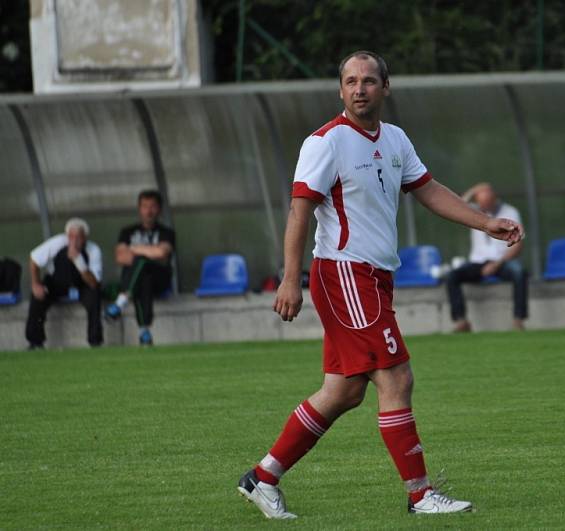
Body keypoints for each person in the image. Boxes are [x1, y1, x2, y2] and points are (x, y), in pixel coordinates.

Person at [236, 50, 524, 519]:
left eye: (369, 80)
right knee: (396, 377)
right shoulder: (325, 142)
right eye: (350, 80)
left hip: (374, 277)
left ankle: (262, 477)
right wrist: (291, 279)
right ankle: (420, 494)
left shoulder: (394, 139)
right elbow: (299, 212)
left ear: (385, 87)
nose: (359, 88)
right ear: (340, 89)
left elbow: (428, 190)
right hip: (345, 274)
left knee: (344, 392)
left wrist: (484, 222)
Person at [446, 182, 527, 332]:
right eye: (481, 204)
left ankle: (518, 320)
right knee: (452, 276)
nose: (485, 208)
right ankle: (461, 321)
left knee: (519, 272)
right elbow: (455, 205)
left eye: (487, 204)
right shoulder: (474, 211)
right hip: (478, 262)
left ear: (495, 199)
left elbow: (518, 244)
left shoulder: (510, 212)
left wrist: (497, 264)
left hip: (501, 262)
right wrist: (475, 189)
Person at [105, 190, 175, 346]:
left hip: (161, 277)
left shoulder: (166, 232)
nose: (149, 211)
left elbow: (162, 253)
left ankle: (121, 302)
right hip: (141, 279)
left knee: (141, 263)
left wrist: (135, 249)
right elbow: (121, 257)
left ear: (159, 209)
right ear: (139, 208)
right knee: (143, 278)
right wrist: (150, 251)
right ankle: (144, 332)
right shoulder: (127, 232)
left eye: (152, 207)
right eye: (145, 206)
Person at [25, 218, 103, 348]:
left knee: (94, 297)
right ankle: (35, 342)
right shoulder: (58, 242)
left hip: (82, 283)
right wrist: (35, 284)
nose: (74, 240)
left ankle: (95, 341)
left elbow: (94, 283)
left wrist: (78, 260)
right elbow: (34, 259)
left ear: (85, 238)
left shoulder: (93, 250)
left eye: (79, 236)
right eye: (71, 236)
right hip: (57, 282)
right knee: (37, 297)